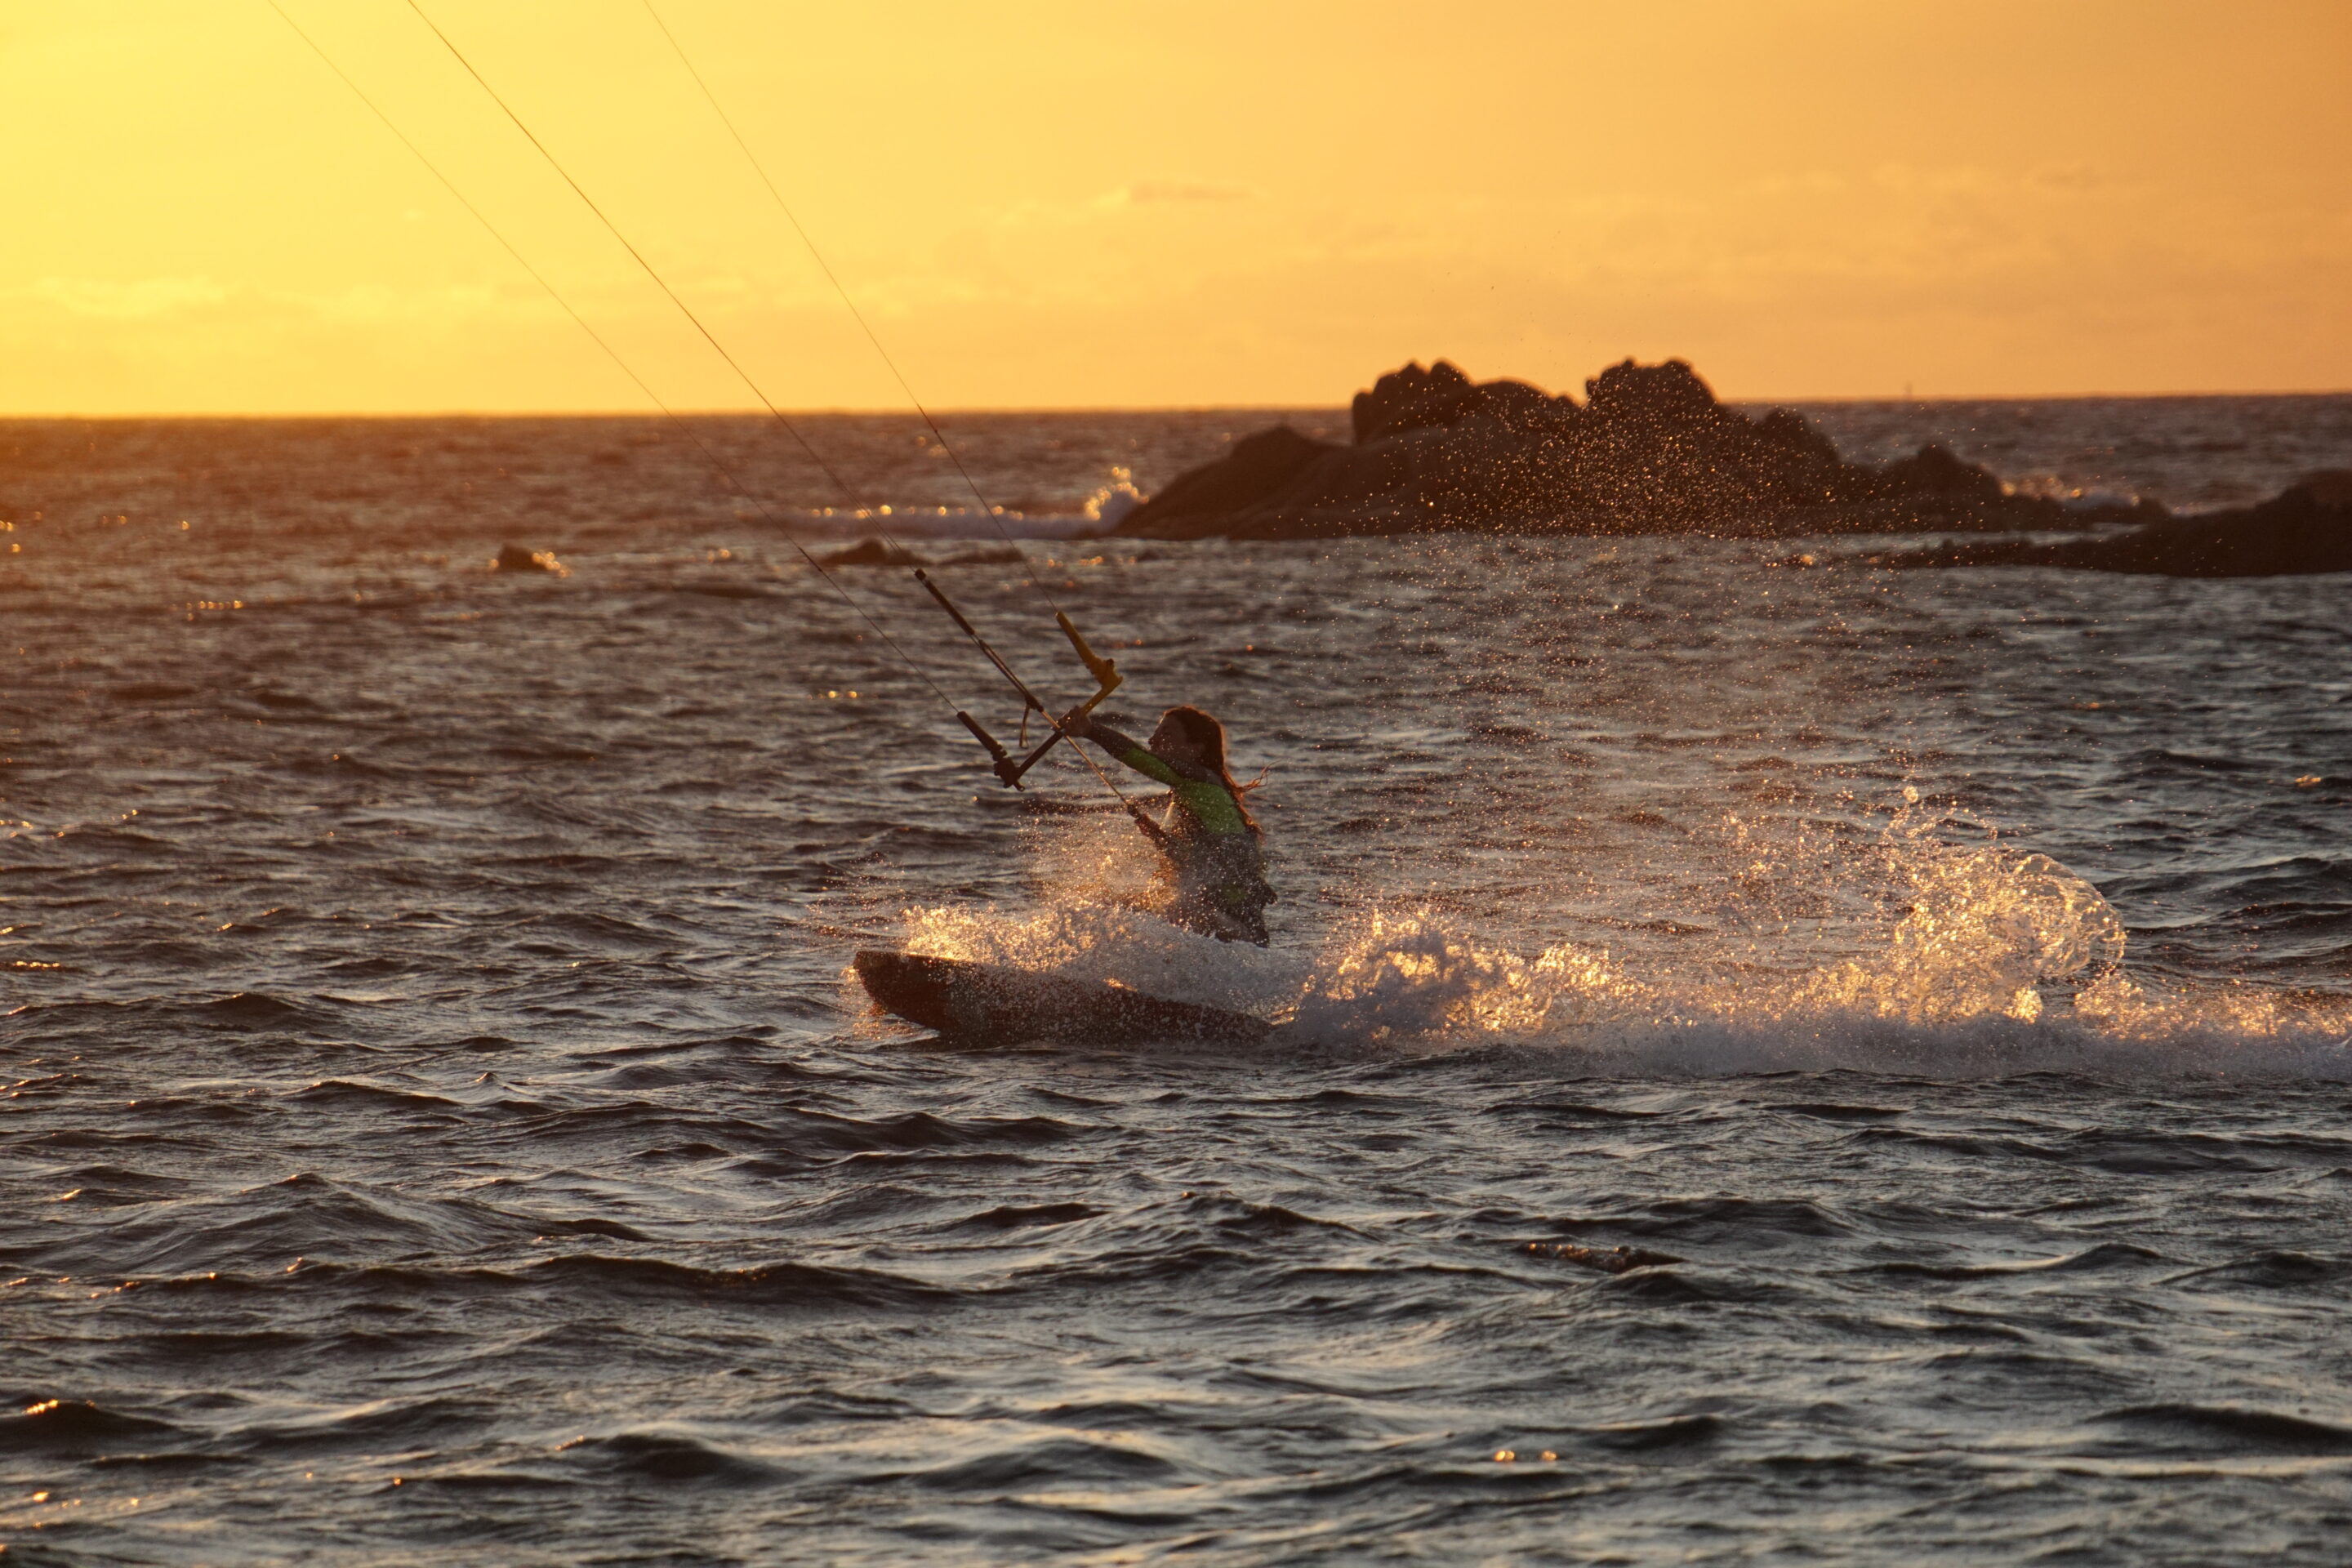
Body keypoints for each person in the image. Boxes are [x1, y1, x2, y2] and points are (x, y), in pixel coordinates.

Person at [1058, 703, 1275, 945]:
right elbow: (1198, 859)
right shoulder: (1196, 793)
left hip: (1236, 930)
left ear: (1195, 749)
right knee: (1110, 906)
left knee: (1174, 909)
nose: (1153, 741)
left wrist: (1091, 730)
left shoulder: (1200, 780)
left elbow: (1142, 759)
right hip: (1224, 926)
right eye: (1156, 733)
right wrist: (1158, 837)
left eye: (1166, 734)